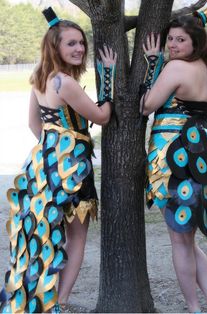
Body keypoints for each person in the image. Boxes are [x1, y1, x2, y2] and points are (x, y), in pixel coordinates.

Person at [0, 7, 117, 314]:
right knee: (76, 238)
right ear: (56, 47)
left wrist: (52, 152)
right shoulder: (65, 83)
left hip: (42, 169)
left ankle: (42, 297)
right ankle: (60, 301)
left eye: (81, 43)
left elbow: (33, 126)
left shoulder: (40, 79)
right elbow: (102, 116)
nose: (79, 48)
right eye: (71, 44)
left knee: (48, 234)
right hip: (74, 171)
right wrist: (108, 76)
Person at [140, 6, 207, 314]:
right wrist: (199, 147)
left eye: (180, 40)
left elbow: (146, 105)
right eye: (170, 39)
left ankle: (194, 309)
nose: (172, 46)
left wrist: (153, 62)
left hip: (172, 163)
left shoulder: (175, 68)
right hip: (202, 159)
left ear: (195, 42)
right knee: (190, 241)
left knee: (181, 243)